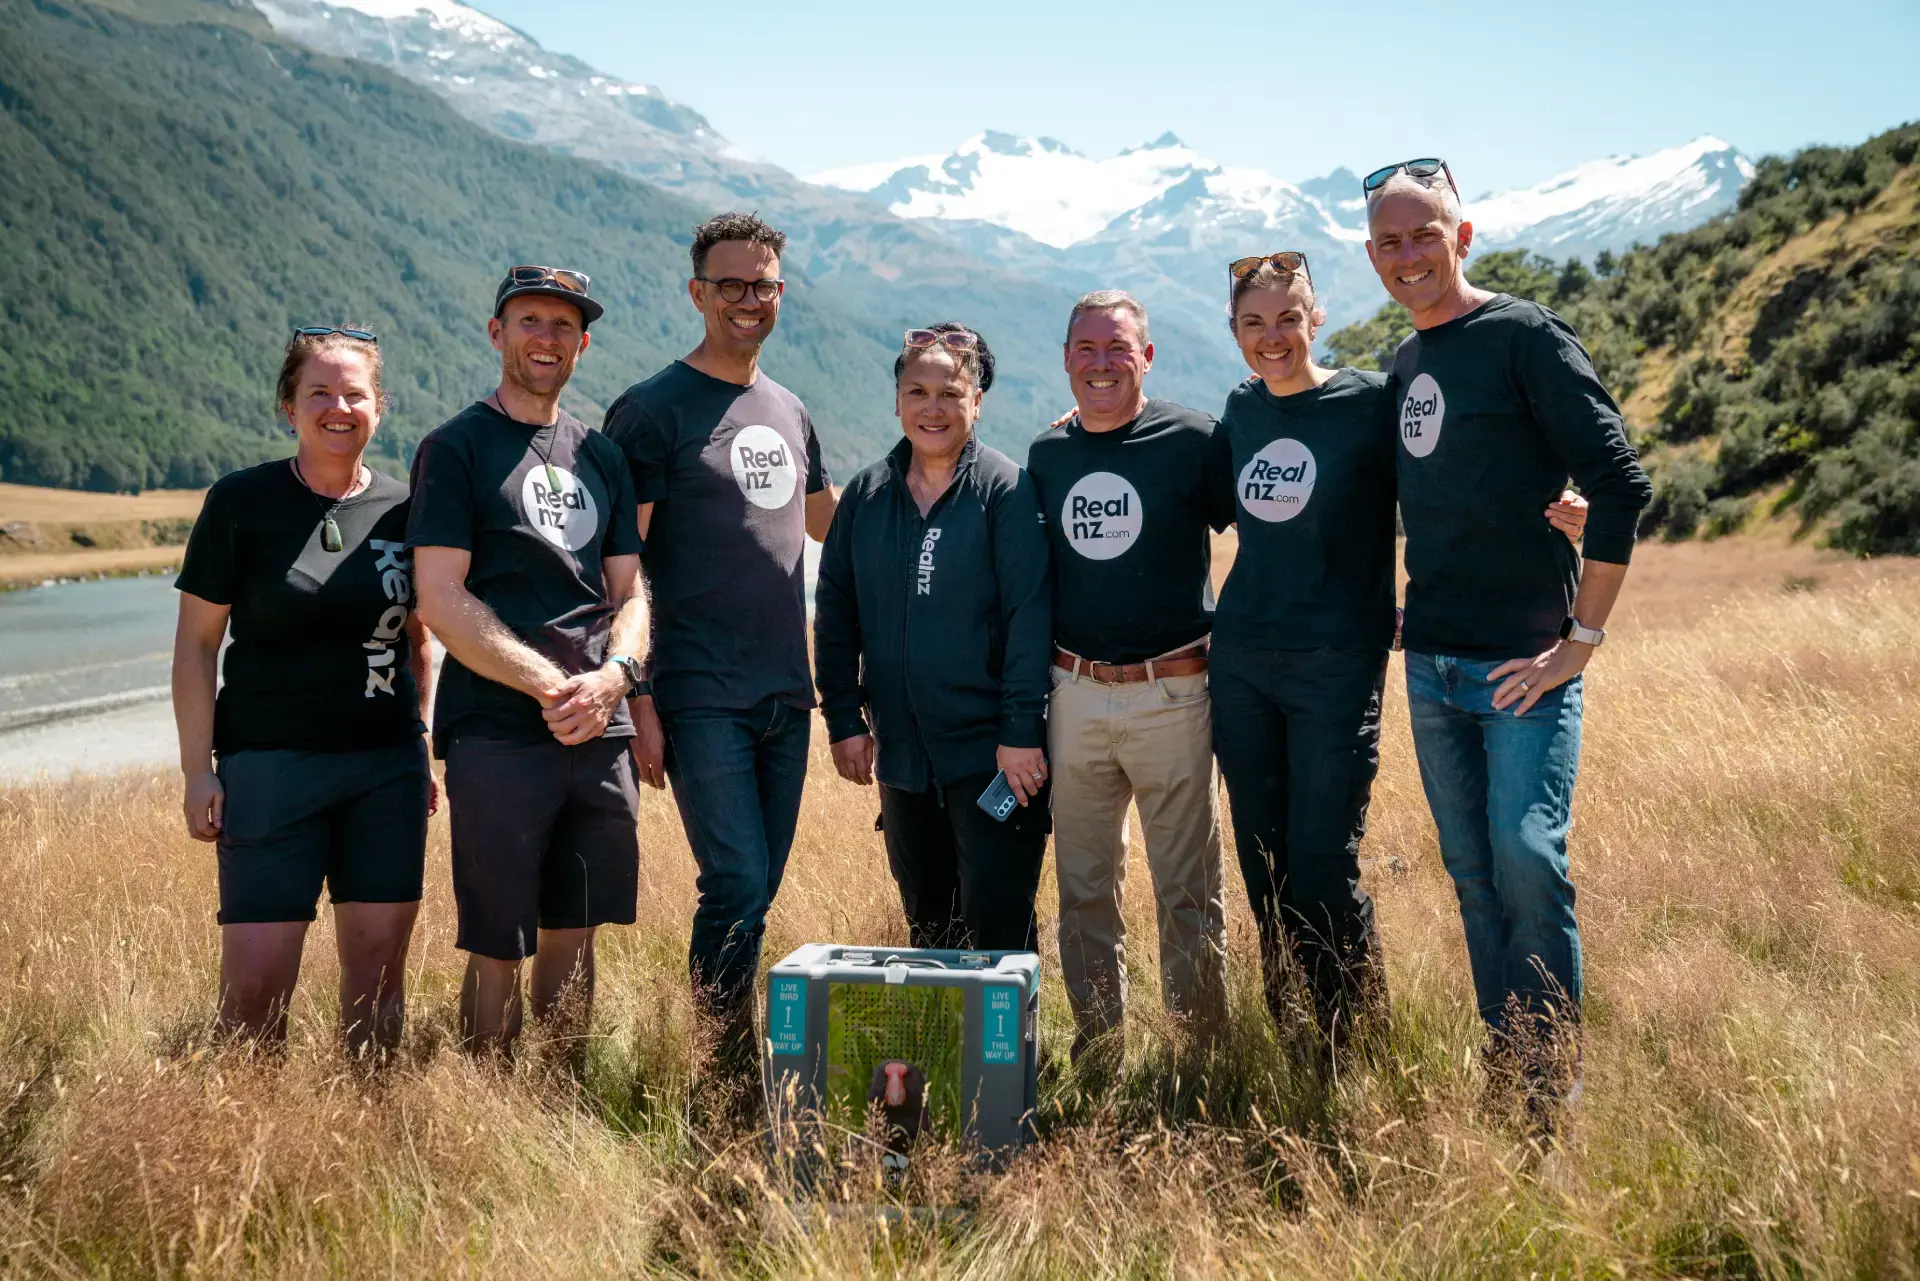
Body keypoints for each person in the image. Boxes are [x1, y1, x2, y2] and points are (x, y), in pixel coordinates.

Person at [1362, 158, 1651, 1121]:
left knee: (1529, 858)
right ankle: (1511, 1075)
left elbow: (1620, 481)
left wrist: (1581, 640)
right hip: (1433, 665)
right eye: (1391, 242)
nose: (1409, 256)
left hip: (1525, 662)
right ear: (1372, 257)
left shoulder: (1523, 335)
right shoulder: (1405, 364)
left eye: (1424, 234)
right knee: (1475, 876)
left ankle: (1555, 1084)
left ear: (1463, 235)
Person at [601, 213, 835, 1075]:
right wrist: (640, 697)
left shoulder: (789, 407)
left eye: (762, 285)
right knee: (733, 881)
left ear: (779, 294)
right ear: (698, 293)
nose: (747, 300)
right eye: (729, 285)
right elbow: (619, 570)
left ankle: (728, 1043)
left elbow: (826, 524)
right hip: (698, 692)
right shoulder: (653, 411)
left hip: (786, 690)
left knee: (757, 889)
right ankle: (720, 1060)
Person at [172, 325, 434, 1058]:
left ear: (379, 407)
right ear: (289, 406)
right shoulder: (240, 503)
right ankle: (248, 1147)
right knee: (254, 987)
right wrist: (199, 768)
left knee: (380, 986)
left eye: (354, 393)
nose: (337, 406)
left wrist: (421, 743)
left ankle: (365, 1143)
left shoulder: (405, 511)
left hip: (385, 770)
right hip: (268, 767)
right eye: (318, 391)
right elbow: (196, 644)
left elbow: (420, 642)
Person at [409, 266, 647, 1061]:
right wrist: (554, 686)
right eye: (530, 321)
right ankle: (487, 1110)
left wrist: (614, 677)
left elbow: (633, 591)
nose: (547, 338)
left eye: (563, 326)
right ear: (497, 333)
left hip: (597, 727)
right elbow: (440, 597)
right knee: (497, 940)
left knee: (576, 935)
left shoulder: (602, 455)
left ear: (583, 343)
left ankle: (561, 1103)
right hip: (501, 732)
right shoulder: (455, 448)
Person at [1025, 291, 1231, 1064]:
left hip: (1173, 692)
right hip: (1073, 693)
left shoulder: (1194, 439)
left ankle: (1195, 1054)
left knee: (1186, 890)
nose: (1101, 362)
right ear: (1067, 358)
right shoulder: (1049, 456)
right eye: (1086, 347)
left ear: (1146, 356)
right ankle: (1099, 1050)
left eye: (1118, 348)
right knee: (1082, 888)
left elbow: (1275, 527)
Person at [815, 325, 1053, 952]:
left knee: (999, 932)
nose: (933, 408)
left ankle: (1011, 1054)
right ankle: (939, 1055)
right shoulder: (866, 495)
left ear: (977, 400)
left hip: (993, 760)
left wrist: (1022, 733)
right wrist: (844, 718)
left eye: (950, 393)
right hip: (901, 762)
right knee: (929, 931)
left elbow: (1030, 620)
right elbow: (834, 613)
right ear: (897, 401)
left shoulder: (1005, 490)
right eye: (917, 391)